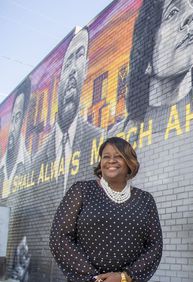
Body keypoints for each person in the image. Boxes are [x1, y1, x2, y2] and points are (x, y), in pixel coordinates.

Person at [49, 137, 163, 282]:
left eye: (118, 156)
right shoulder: (82, 191)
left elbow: (155, 245)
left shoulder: (145, 199)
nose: (111, 161)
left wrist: (125, 276)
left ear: (129, 163)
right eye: (106, 157)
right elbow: (60, 238)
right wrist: (93, 278)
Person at [36, 27, 104, 192]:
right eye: (67, 63)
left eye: (80, 55)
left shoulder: (101, 139)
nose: (73, 68)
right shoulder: (36, 163)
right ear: (59, 81)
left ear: (86, 67)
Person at [0, 78, 31, 199]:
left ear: (23, 120)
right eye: (12, 118)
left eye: (17, 119)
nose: (12, 128)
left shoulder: (30, 167)